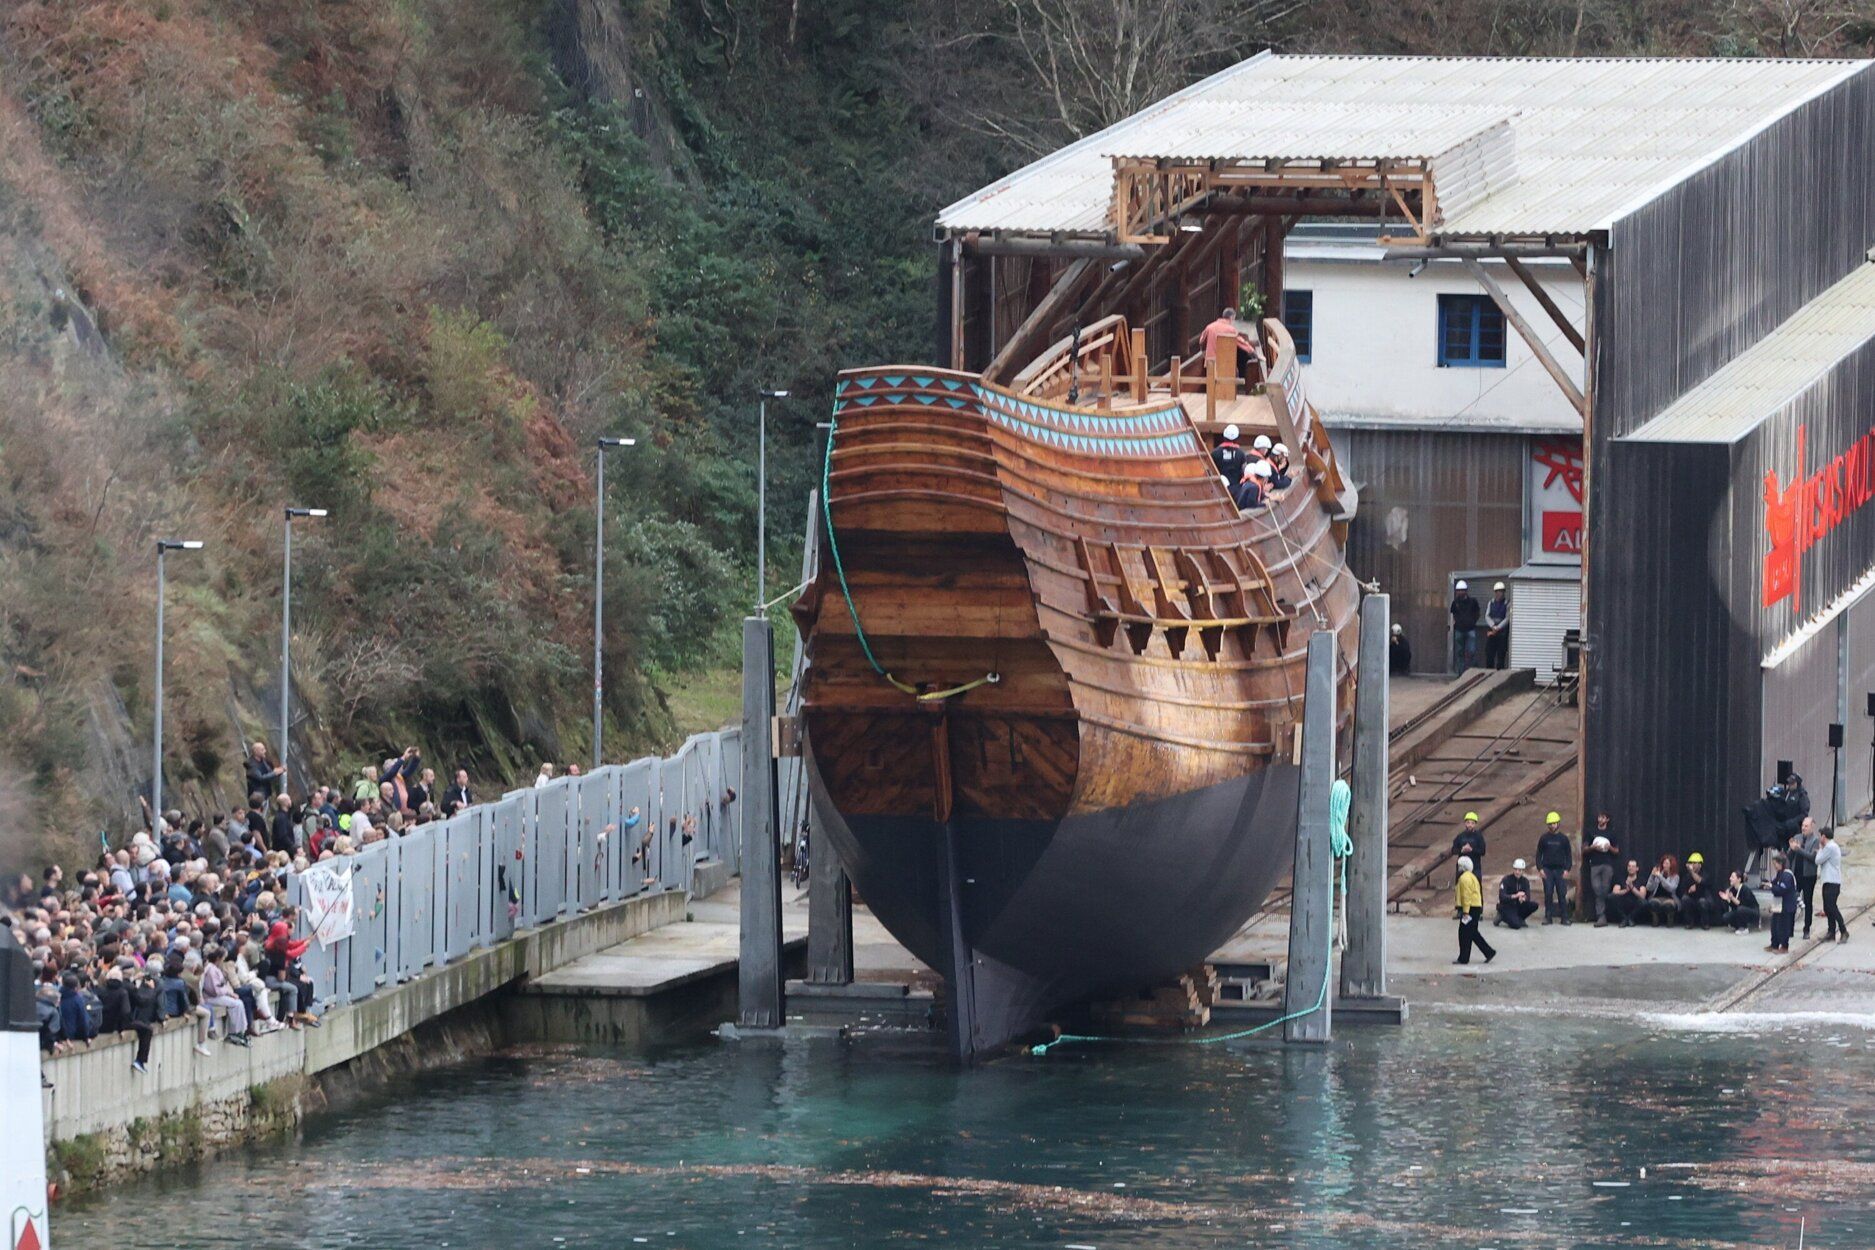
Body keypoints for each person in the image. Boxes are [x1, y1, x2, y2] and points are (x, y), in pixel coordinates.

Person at [1452, 856, 1496, 965]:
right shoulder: (1472, 876)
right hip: (1475, 907)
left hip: (1470, 908)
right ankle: (1488, 952)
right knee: (1472, 933)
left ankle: (1464, 958)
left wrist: (1465, 911)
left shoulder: (1464, 878)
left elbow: (1466, 896)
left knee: (1464, 934)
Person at [1535, 812, 1572, 924]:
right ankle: (1548, 917)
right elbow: (1538, 854)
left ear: (1558, 823)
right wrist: (1540, 869)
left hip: (1560, 870)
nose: (1552, 826)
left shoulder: (1564, 839)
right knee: (1548, 893)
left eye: (1554, 823)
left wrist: (1567, 869)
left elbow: (1568, 855)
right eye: (1550, 824)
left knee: (1562, 893)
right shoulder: (1544, 838)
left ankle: (1564, 917)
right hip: (1547, 870)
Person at [1788, 817, 1821, 940]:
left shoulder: (1815, 840)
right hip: (1796, 874)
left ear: (1812, 827)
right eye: (1802, 825)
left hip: (1808, 875)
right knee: (1792, 900)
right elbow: (1789, 856)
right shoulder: (1797, 837)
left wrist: (1798, 849)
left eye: (1806, 826)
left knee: (1807, 901)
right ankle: (1789, 928)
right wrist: (1792, 849)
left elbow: (1813, 857)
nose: (1803, 828)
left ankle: (1807, 928)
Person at [1584, 834, 1621, 926]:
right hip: (1595, 865)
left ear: (1607, 819)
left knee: (1605, 889)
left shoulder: (1611, 833)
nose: (1601, 819)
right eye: (1600, 817)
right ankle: (1601, 915)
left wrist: (1609, 848)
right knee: (1597, 889)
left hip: (1607, 865)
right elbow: (1584, 849)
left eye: (1603, 818)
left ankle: (1602, 916)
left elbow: (1616, 851)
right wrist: (1592, 847)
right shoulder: (1591, 833)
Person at [1817, 825, 1846, 943]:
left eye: (1820, 836)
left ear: (1823, 837)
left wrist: (1820, 848)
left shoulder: (1830, 847)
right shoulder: (1830, 847)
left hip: (1832, 881)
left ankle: (1844, 930)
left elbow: (1818, 860)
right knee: (1827, 908)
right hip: (1827, 880)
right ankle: (1831, 931)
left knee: (1832, 907)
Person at [1677, 852, 1719, 930]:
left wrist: (1692, 872)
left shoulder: (1706, 873)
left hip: (1704, 898)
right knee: (1685, 899)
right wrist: (1688, 890)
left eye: (1694, 863)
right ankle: (1689, 923)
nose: (1692, 865)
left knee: (1702, 902)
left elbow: (1701, 881)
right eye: (1691, 863)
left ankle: (1705, 923)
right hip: (1692, 899)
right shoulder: (1687, 876)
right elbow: (1682, 889)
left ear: (1700, 864)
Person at [1767, 852, 1797, 953]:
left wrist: (1772, 887)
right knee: (1774, 925)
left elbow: (1781, 889)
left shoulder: (1787, 875)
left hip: (1787, 905)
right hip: (1778, 905)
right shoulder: (1780, 874)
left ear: (1781, 863)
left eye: (1775, 864)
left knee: (1783, 927)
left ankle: (1784, 946)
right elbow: (1775, 883)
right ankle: (1774, 944)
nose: (1774, 866)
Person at [1496, 859, 1538, 929]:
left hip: (1518, 905)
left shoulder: (1525, 881)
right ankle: (1502, 916)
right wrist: (1515, 896)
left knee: (1534, 905)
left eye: (1520, 870)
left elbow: (1528, 896)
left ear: (1523, 871)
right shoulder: (1506, 879)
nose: (1517, 872)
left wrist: (1524, 899)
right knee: (1516, 926)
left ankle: (1520, 918)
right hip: (1507, 906)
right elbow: (1502, 896)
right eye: (1516, 869)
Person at [1450, 579, 1481, 673]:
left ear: (1466, 591)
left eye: (1462, 590)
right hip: (1459, 630)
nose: (1460, 592)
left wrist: (1472, 622)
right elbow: (1452, 615)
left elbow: (1477, 613)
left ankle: (1471, 672)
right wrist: (1454, 625)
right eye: (1458, 590)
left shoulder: (1473, 602)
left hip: (1470, 629)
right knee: (1460, 652)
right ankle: (1461, 673)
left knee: (1471, 651)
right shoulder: (1455, 603)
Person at [1607, 859, 1648, 928]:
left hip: (1634, 903)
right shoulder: (1621, 878)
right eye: (1629, 866)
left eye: (1633, 866)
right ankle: (1624, 918)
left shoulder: (1641, 880)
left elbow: (1642, 895)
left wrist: (1632, 887)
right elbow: (1615, 892)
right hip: (1623, 902)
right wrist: (1625, 890)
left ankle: (1629, 918)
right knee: (1610, 897)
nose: (1630, 868)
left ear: (1637, 868)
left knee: (1644, 902)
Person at [1643, 855, 1682, 926]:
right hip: (1657, 897)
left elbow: (1671, 888)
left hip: (1670, 898)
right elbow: (1649, 888)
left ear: (1671, 865)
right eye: (1663, 863)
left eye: (1667, 864)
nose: (1664, 865)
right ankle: (1655, 919)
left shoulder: (1675, 876)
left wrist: (1660, 877)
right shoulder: (1658, 874)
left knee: (1668, 905)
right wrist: (1652, 876)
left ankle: (1670, 919)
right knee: (1653, 903)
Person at [1482, 582, 1511, 670]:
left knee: (1501, 655)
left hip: (1502, 633)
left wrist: (1498, 628)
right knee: (1489, 654)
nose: (1499, 594)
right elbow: (1487, 615)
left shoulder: (1507, 604)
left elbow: (1507, 618)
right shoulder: (1490, 603)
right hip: (1492, 632)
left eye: (1501, 591)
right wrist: (1493, 626)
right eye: (1498, 591)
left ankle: (1500, 674)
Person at [1451, 813, 1486, 883]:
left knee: (1477, 887)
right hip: (1462, 867)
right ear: (1465, 823)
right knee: (1460, 886)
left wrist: (1471, 850)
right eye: (1468, 823)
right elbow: (1453, 850)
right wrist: (1462, 850)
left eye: (1472, 823)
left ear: (1475, 824)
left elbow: (1482, 851)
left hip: (1475, 867)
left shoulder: (1479, 837)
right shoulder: (1460, 836)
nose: (1470, 825)